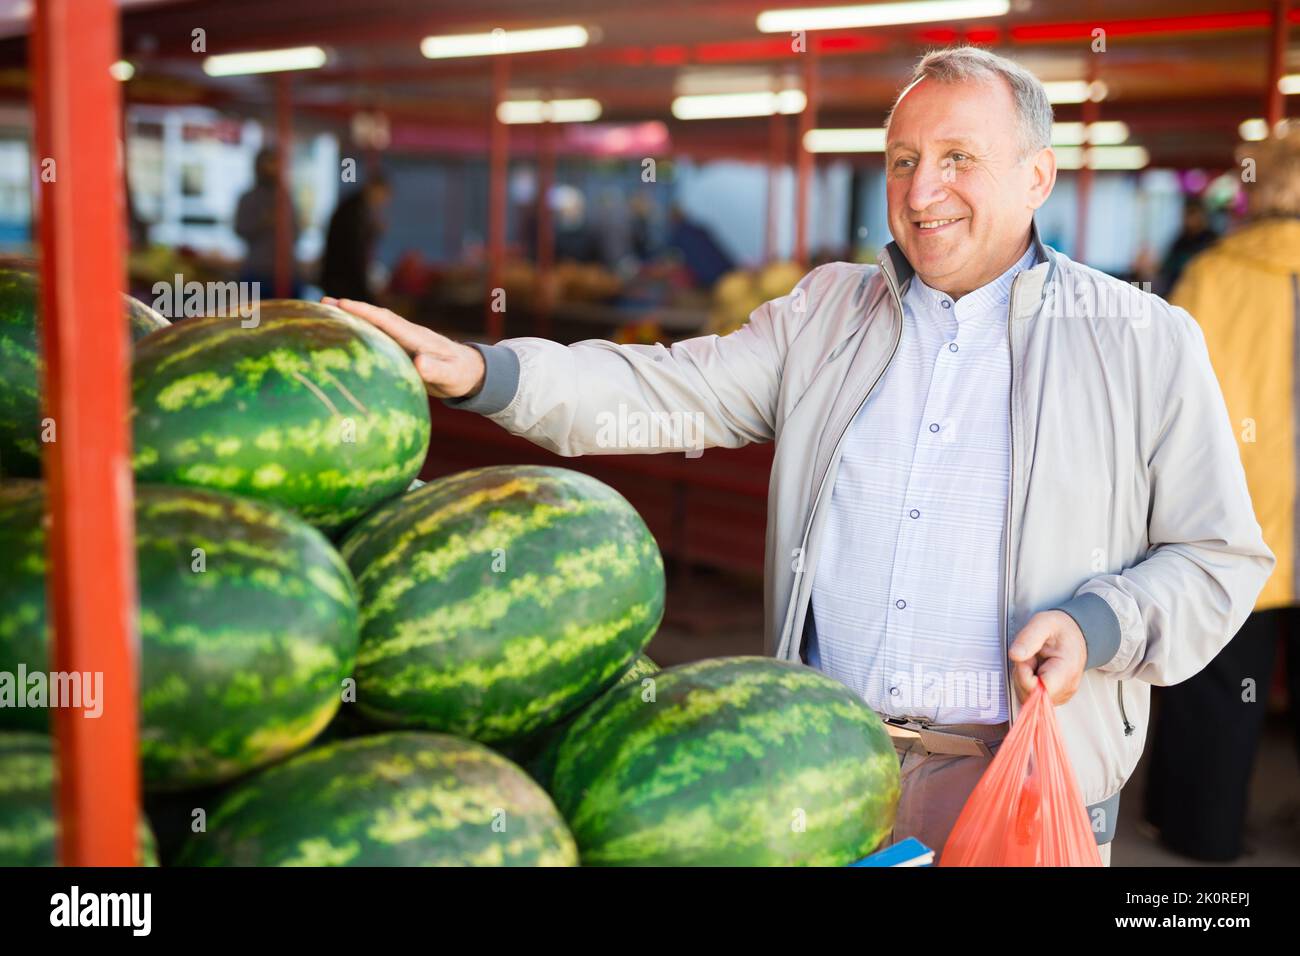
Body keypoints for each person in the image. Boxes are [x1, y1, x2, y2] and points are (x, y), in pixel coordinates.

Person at [325, 46, 1273, 865]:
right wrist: (484, 372)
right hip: (815, 769)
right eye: (902, 161)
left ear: (1037, 175)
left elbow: (1220, 557)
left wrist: (1098, 626)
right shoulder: (827, 313)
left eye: (957, 158)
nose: (921, 190)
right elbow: (671, 390)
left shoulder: (1141, 339)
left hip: (1020, 780)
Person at [1144, 123, 1300, 861]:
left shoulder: (1213, 274)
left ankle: (1199, 837)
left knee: (1216, 690)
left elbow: (1174, 408)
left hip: (1241, 526)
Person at [234, 147, 298, 297]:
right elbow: (240, 228)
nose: (271, 168)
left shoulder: (285, 197)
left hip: (285, 271)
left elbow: (295, 232)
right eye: (267, 163)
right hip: (257, 269)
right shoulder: (249, 198)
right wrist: (264, 222)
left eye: (274, 163)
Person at [319, 173, 392, 302]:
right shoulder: (355, 210)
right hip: (343, 279)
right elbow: (354, 249)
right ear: (375, 189)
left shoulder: (355, 207)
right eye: (383, 196)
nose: (382, 202)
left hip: (340, 277)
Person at [1155, 195, 1218, 297]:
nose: (1188, 220)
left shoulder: (1212, 242)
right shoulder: (1179, 241)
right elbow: (1166, 269)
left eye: (1192, 214)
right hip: (1177, 293)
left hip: (1204, 293)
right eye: (1185, 215)